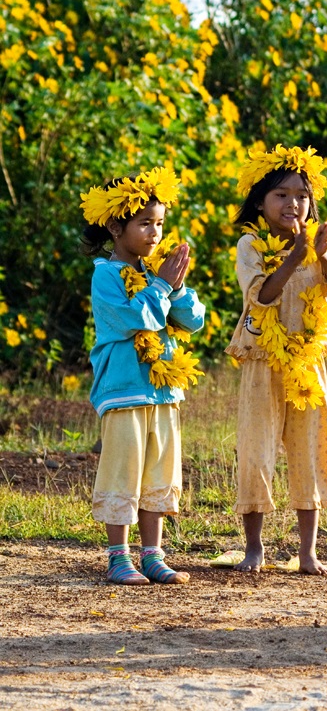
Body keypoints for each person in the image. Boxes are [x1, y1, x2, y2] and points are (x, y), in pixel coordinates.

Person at [225, 144, 327, 576]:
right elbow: (260, 297)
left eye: (301, 195)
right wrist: (295, 257)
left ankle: (308, 553)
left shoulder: (322, 240)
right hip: (262, 360)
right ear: (260, 203)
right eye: (281, 195)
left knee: (310, 452)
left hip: (307, 364)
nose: (293, 203)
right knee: (256, 450)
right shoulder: (251, 245)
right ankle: (254, 548)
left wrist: (319, 254)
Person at [81, 167, 206, 585]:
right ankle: (119, 556)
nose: (155, 233)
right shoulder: (106, 276)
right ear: (117, 227)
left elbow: (192, 321)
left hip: (163, 390)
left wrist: (178, 287)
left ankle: (152, 554)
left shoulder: (159, 275)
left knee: (159, 473)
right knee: (123, 470)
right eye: (145, 223)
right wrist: (162, 288)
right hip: (123, 391)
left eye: (160, 223)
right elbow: (135, 320)